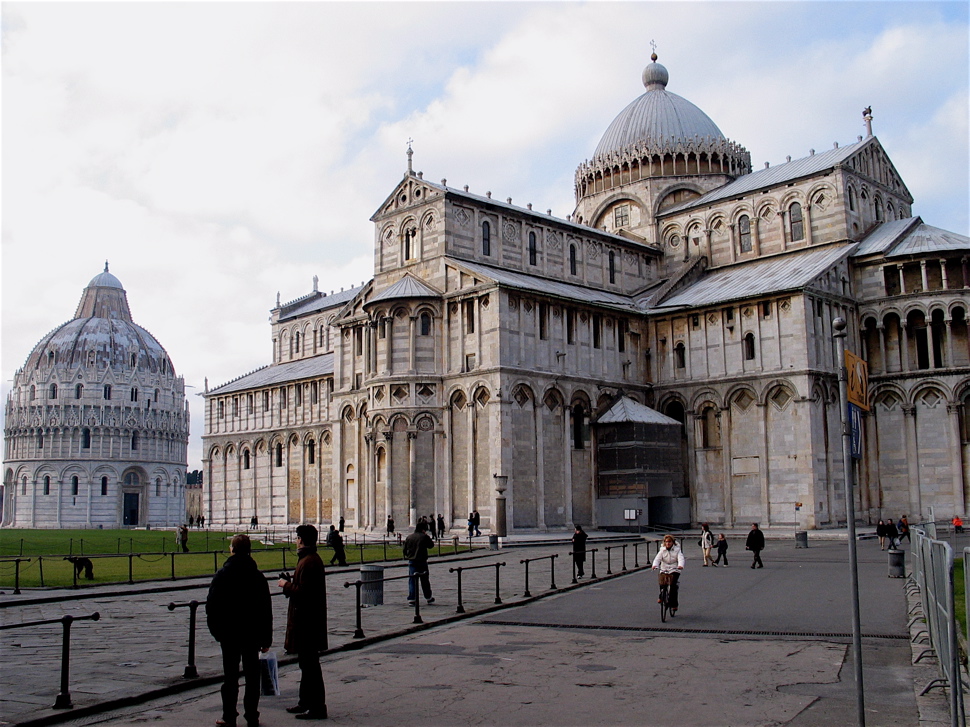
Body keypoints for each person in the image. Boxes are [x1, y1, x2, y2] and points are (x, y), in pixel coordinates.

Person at [207, 534, 272, 727]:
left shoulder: (223, 575)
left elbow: (212, 606)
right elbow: (265, 610)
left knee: (230, 678)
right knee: (252, 678)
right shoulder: (257, 576)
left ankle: (229, 716)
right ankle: (252, 716)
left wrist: (217, 632)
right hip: (251, 635)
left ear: (232, 550)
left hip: (229, 635)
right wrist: (266, 640)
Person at [278, 525, 328, 721]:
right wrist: (291, 582)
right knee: (306, 665)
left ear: (301, 539)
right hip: (306, 620)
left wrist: (286, 585)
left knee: (311, 667)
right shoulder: (308, 559)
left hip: (307, 622)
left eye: (297, 537)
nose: (295, 540)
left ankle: (317, 707)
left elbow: (304, 593)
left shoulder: (309, 562)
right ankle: (305, 702)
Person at [402, 521, 435, 605]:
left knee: (412, 580)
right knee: (425, 581)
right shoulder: (424, 537)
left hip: (412, 561)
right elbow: (431, 545)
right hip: (422, 561)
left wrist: (409, 555)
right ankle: (428, 597)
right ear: (423, 529)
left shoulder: (409, 537)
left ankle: (412, 598)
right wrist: (426, 536)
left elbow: (404, 550)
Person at [651, 534, 685, 612]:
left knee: (673, 585)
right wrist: (655, 565)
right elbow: (657, 559)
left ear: (672, 542)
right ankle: (661, 596)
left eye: (669, 542)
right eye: (666, 542)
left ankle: (673, 604)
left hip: (674, 569)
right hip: (664, 568)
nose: (668, 543)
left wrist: (680, 565)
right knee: (662, 583)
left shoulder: (677, 550)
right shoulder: (662, 550)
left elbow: (681, 558)